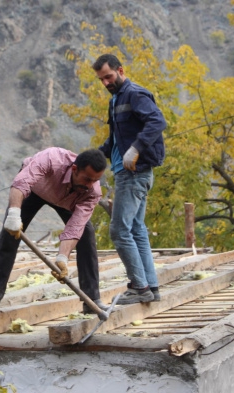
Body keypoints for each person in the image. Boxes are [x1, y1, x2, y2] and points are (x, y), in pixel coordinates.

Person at [0, 147, 110, 317]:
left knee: (86, 235)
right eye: (87, 179)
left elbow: (76, 226)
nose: (90, 185)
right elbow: (21, 183)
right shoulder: (51, 159)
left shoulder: (91, 191)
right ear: (75, 169)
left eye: (95, 180)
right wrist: (14, 214)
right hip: (35, 189)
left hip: (67, 200)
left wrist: (62, 258)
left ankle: (91, 300)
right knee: (9, 236)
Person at [93, 54, 167, 305]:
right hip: (125, 173)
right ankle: (151, 287)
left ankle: (139, 287)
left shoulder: (135, 94)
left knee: (119, 230)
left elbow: (157, 121)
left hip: (134, 173)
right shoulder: (115, 100)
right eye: (101, 79)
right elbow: (114, 139)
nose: (105, 83)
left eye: (108, 77)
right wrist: (93, 156)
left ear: (120, 70)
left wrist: (135, 149)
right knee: (136, 229)